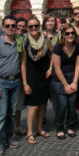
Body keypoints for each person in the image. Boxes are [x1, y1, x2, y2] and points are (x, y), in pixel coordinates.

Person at [0, 15, 22, 156]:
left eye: (13, 25)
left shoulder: (19, 41)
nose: (11, 28)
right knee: (1, 115)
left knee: (12, 113)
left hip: (16, 81)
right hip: (2, 82)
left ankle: (9, 137)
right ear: (3, 27)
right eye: (7, 26)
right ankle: (0, 143)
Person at [21, 15, 51, 144]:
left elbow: (53, 54)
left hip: (44, 75)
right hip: (31, 76)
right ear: (27, 28)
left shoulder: (45, 40)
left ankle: (39, 128)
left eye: (36, 26)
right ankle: (29, 132)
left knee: (43, 103)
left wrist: (51, 68)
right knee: (33, 106)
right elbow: (22, 63)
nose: (33, 28)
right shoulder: (24, 41)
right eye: (31, 26)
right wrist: (25, 82)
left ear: (39, 27)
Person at [51, 24, 79, 139]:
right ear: (63, 35)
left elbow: (78, 65)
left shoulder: (78, 47)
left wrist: (74, 82)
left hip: (73, 77)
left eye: (72, 33)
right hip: (60, 79)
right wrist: (65, 85)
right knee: (62, 105)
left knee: (72, 104)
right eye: (67, 33)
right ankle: (59, 127)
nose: (70, 35)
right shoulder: (58, 48)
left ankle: (70, 126)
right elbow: (57, 68)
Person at [14, 18, 28, 135]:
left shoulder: (26, 38)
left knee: (19, 104)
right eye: (19, 25)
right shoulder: (11, 38)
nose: (21, 28)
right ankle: (8, 128)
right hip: (11, 74)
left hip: (22, 75)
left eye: (24, 26)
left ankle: (17, 126)